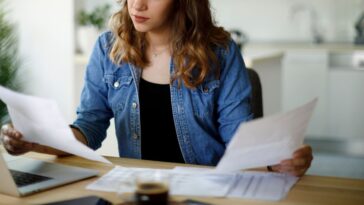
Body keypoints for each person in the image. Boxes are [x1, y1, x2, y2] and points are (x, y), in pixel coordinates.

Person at [0, 0, 312, 177]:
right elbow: (88, 129)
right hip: (140, 190)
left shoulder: (220, 52)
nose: (137, 4)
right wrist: (37, 142)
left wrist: (278, 160)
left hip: (207, 191)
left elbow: (240, 145)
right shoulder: (108, 49)